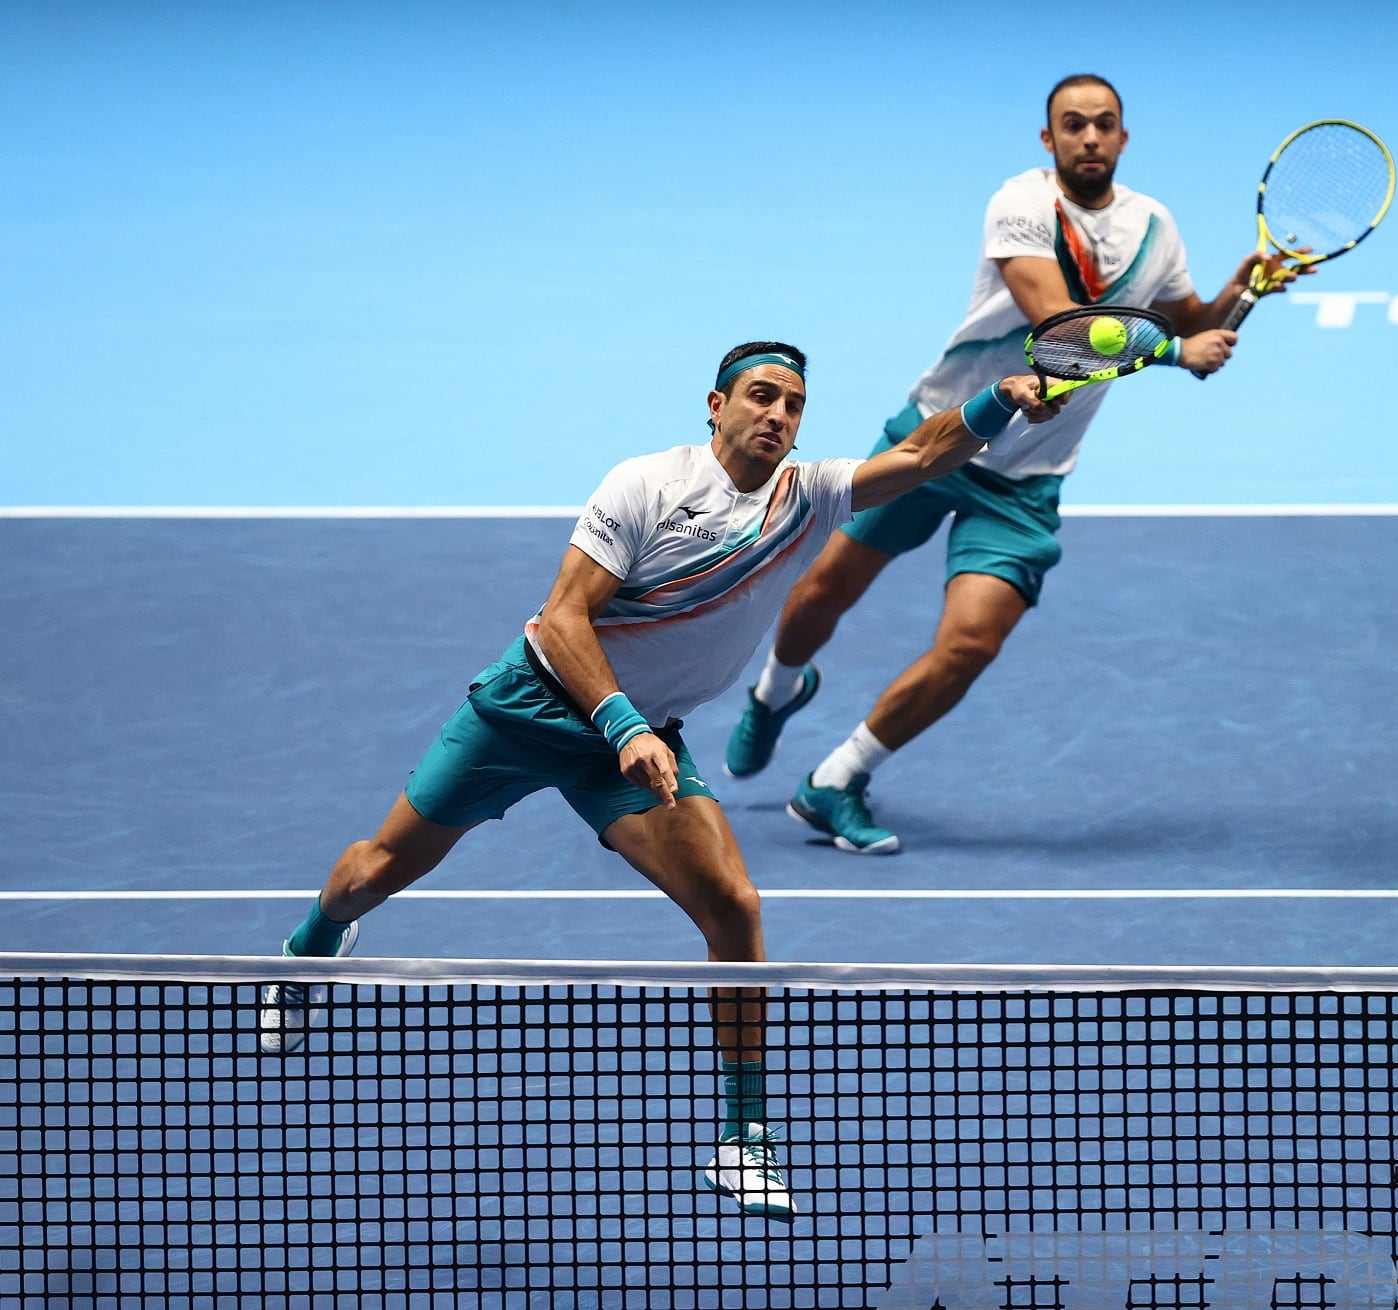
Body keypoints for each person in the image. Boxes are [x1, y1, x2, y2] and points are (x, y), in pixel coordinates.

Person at [257, 342, 1063, 1223]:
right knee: (375, 871)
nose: (778, 416)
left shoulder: (807, 495)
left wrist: (1002, 400)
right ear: (715, 406)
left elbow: (917, 457)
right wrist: (621, 724)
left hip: (642, 741)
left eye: (794, 405)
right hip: (533, 708)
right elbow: (564, 617)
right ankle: (310, 949)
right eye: (761, 397)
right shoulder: (644, 484)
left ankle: (745, 1139)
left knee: (734, 906)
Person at [724, 74, 1304, 853]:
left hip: (1028, 478)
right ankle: (776, 692)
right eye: (1074, 125)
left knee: (970, 644)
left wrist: (1245, 287)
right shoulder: (1021, 204)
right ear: (1049, 139)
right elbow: (1066, 326)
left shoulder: (1154, 226)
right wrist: (1175, 352)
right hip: (941, 433)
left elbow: (1184, 320)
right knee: (826, 587)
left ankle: (837, 780)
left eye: (1104, 125)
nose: (1090, 138)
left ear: (1124, 138)